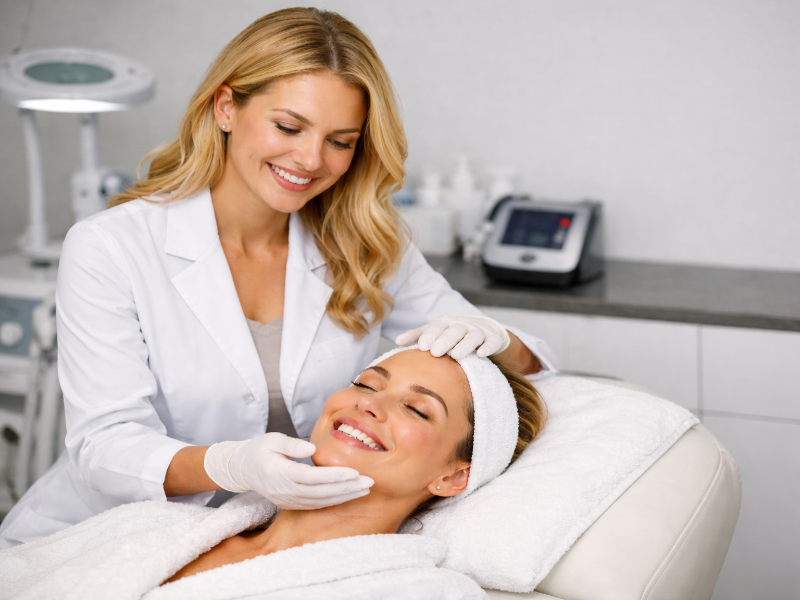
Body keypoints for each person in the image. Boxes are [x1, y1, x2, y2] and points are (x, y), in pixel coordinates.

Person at [0, 7, 557, 548]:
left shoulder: (366, 245)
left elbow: (525, 376)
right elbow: (103, 447)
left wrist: (497, 339)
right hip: (107, 537)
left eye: (340, 141)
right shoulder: (112, 247)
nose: (311, 159)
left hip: (264, 541)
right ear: (226, 107)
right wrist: (229, 465)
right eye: (289, 126)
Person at [1, 347, 546, 599]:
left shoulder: (419, 592)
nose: (369, 404)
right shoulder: (152, 526)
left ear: (453, 478)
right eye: (366, 383)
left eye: (417, 409)